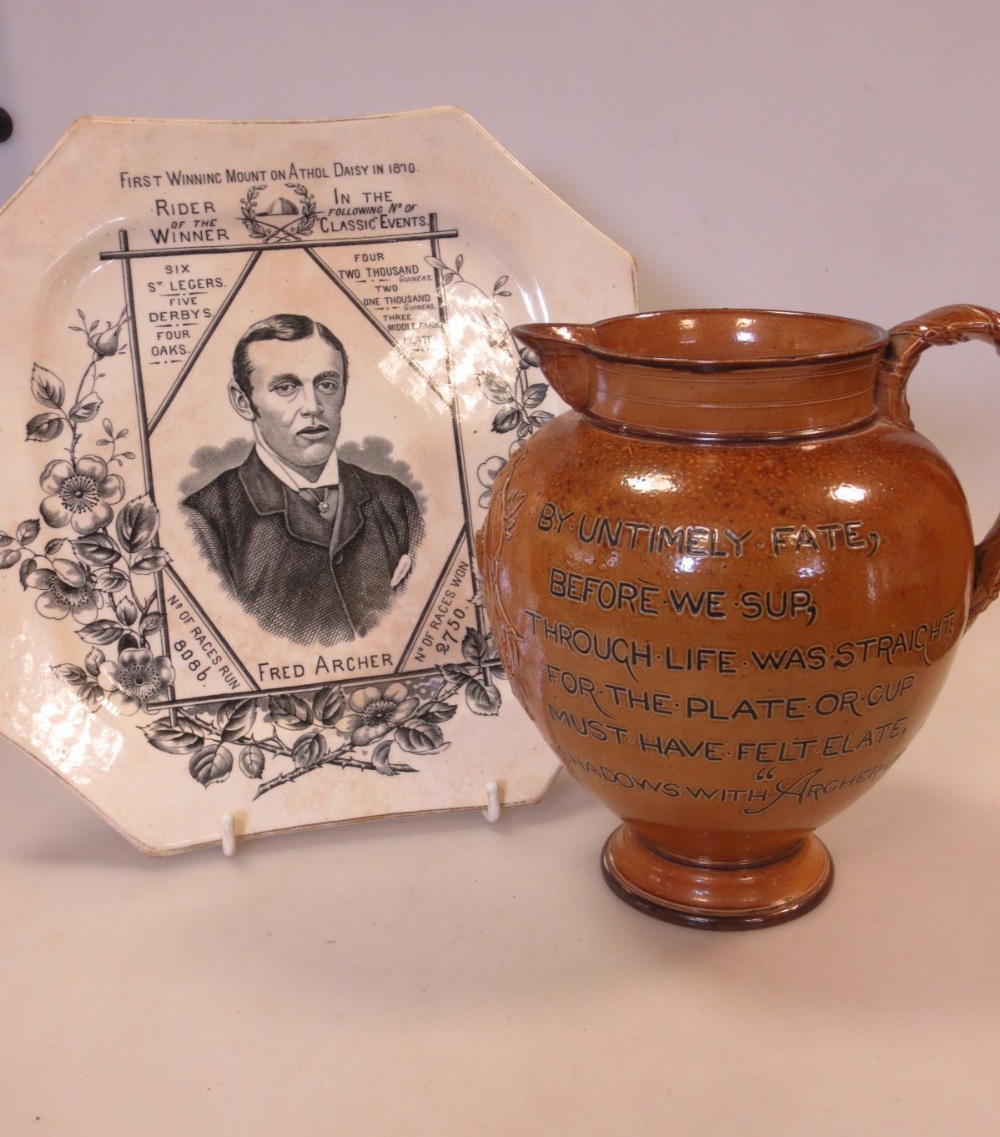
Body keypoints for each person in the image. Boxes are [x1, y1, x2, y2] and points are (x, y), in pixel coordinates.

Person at [183, 314, 422, 644]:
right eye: (286, 387)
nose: (313, 406)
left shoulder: (395, 500)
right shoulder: (205, 519)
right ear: (243, 401)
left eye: (327, 384)